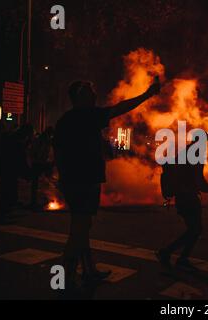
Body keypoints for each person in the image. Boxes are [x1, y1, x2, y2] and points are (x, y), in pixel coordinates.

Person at [53, 78, 160, 290]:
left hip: (73, 181)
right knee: (79, 230)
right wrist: (147, 95)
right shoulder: (86, 116)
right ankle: (63, 279)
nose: (95, 95)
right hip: (85, 181)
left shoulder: (66, 119)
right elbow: (120, 108)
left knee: (82, 228)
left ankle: (89, 270)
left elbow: (57, 151)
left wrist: (62, 178)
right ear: (81, 96)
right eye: (90, 92)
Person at [156, 133, 208, 272]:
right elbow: (199, 182)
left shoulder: (185, 152)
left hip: (183, 197)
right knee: (195, 229)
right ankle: (168, 253)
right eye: (206, 142)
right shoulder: (196, 155)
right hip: (188, 197)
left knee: (195, 229)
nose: (207, 146)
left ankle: (179, 256)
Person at [0, 124, 33, 222]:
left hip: (6, 168)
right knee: (8, 190)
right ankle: (4, 213)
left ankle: (7, 209)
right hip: (9, 169)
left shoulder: (13, 138)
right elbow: (19, 159)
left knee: (9, 189)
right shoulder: (16, 142)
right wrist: (27, 173)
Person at [29, 127, 54, 210]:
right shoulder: (44, 141)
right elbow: (42, 152)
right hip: (40, 163)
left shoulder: (39, 139)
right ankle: (37, 201)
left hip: (37, 163)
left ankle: (36, 200)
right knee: (42, 181)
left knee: (36, 183)